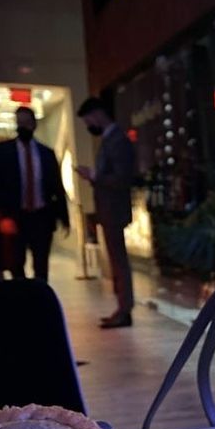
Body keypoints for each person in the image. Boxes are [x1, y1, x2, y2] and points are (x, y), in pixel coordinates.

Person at [0, 105, 69, 282]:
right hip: (16, 216)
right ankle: (22, 297)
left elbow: (56, 185)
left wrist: (64, 217)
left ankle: (39, 298)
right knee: (16, 262)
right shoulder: (3, 151)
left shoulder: (46, 153)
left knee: (41, 263)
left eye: (26, 123)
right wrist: (1, 217)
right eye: (19, 123)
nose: (22, 127)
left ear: (34, 125)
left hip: (41, 216)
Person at [76, 96, 135, 328]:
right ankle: (122, 307)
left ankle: (124, 308)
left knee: (119, 260)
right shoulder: (110, 140)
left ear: (97, 115)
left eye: (88, 119)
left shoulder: (117, 140)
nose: (89, 125)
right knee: (116, 259)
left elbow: (122, 177)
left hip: (114, 209)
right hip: (110, 209)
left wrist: (95, 176)